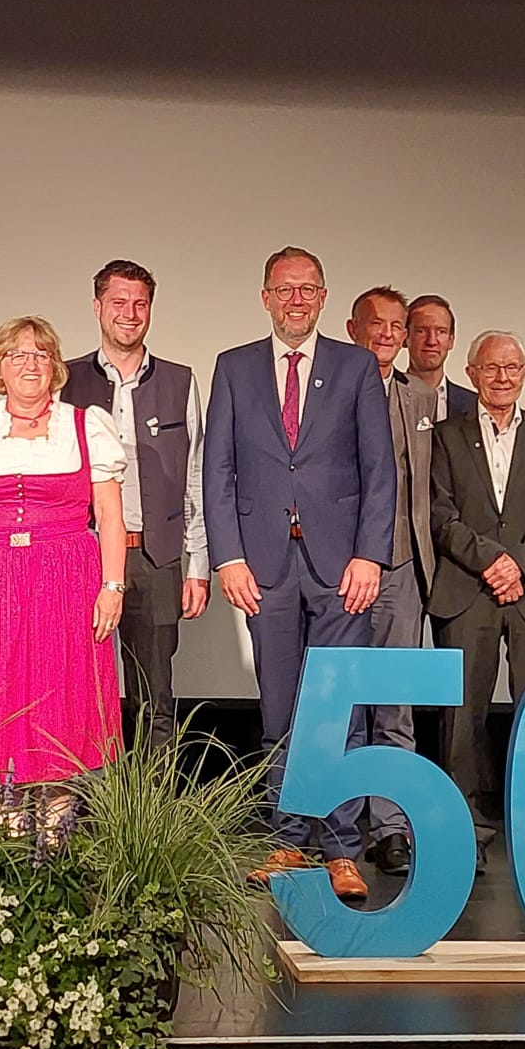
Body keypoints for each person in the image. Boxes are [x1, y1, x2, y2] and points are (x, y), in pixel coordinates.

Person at [205, 246, 394, 902]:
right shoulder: (233, 367)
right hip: (263, 565)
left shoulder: (354, 366)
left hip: (342, 565)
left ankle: (342, 847)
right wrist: (226, 557)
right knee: (280, 707)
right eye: (283, 289)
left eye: (307, 289)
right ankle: (286, 839)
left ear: (321, 297)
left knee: (338, 706)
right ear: (264, 297)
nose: (295, 299)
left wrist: (370, 554)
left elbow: (379, 467)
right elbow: (217, 470)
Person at [0, 316, 126, 825]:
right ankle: (7, 833)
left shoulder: (84, 426)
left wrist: (112, 585)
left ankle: (54, 833)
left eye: (40, 355)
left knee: (58, 696)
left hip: (65, 579)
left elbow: (110, 514)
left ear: (55, 367)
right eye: (17, 355)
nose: (29, 364)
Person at [427, 332, 525, 869]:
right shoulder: (446, 436)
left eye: (513, 367)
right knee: (462, 714)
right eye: (492, 368)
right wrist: (492, 562)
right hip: (468, 591)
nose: (503, 377)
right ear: (471, 373)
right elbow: (440, 515)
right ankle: (461, 820)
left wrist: (518, 565)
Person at [61, 259, 210, 755]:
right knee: (82, 693)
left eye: (140, 304)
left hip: (156, 557)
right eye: (119, 302)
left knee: (155, 698)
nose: (130, 313)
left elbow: (195, 478)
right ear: (97, 307)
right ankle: (82, 810)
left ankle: (149, 821)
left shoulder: (180, 381)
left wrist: (199, 564)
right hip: (83, 557)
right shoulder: (65, 380)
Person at [345, 285, 437, 875]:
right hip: (342, 569)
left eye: (397, 326)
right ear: (353, 329)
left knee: (395, 704)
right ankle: (337, 829)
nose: (388, 334)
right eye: (375, 324)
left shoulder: (423, 398)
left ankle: (391, 826)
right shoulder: (331, 391)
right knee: (345, 702)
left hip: (403, 568)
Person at [400, 293, 479, 421]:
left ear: (451, 340)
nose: (431, 341)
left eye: (441, 331)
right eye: (421, 331)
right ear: (405, 337)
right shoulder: (384, 398)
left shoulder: (474, 406)